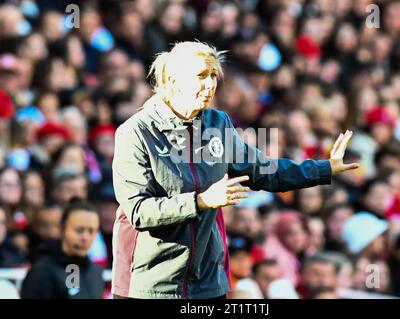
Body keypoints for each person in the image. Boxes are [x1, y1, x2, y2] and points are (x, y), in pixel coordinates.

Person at [111, 41, 359, 299]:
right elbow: (139, 211)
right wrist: (200, 201)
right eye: (200, 76)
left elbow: (265, 171)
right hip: (153, 283)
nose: (210, 85)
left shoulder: (218, 123)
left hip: (208, 281)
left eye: (213, 76)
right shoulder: (136, 132)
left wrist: (324, 168)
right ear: (173, 80)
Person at [21, 199, 103, 299]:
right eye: (79, 230)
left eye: (91, 231)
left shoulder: (95, 272)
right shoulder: (42, 272)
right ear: (62, 230)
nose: (85, 237)